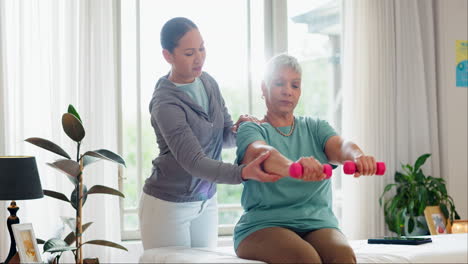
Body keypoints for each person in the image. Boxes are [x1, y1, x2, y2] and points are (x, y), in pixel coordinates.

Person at [139, 17, 280, 250]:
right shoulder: (165, 103)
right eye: (189, 53)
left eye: (202, 48)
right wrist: (243, 173)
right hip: (168, 205)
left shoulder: (208, 83)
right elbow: (194, 161)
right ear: (168, 56)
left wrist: (243, 128)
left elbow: (222, 136)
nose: (199, 58)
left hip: (206, 201)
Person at [234, 54, 379, 263]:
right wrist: (293, 167)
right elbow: (262, 154)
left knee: (343, 256)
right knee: (305, 258)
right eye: (278, 83)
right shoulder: (251, 128)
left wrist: (358, 156)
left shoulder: (315, 127)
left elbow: (340, 146)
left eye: (295, 85)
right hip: (263, 225)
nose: (287, 91)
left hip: (317, 223)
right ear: (264, 89)